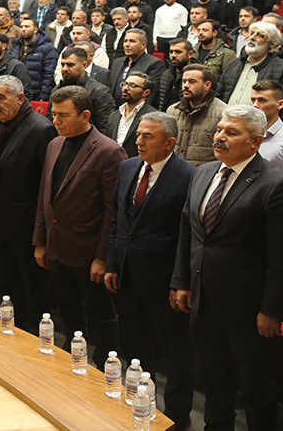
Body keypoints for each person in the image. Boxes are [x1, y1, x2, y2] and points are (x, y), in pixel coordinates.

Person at [171, 105, 283, 431]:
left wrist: (271, 310)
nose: (220, 137)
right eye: (220, 129)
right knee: (213, 382)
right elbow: (188, 233)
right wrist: (182, 281)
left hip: (248, 310)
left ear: (255, 141)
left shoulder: (277, 185)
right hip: (203, 300)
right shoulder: (203, 172)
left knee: (256, 389)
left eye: (231, 133)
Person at [102, 111, 196, 425]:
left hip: (165, 281)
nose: (139, 141)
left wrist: (180, 281)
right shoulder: (128, 167)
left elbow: (187, 235)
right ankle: (140, 405)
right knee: (134, 346)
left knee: (177, 352)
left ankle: (177, 416)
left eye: (147, 137)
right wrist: (112, 262)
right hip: (128, 275)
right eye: (139, 134)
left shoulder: (188, 176)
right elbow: (117, 220)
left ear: (169, 143)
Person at [33, 85, 126, 359]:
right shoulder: (54, 144)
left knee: (102, 317)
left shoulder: (109, 151)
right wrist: (40, 241)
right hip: (57, 247)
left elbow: (113, 211)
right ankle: (72, 359)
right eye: (53, 114)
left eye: (63, 115)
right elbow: (45, 196)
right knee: (68, 312)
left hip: (88, 252)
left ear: (85, 115)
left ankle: (104, 366)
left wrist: (102, 258)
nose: (55, 121)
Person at [0, 76, 56, 333]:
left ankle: (33, 340)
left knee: (33, 293)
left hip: (27, 230)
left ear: (20, 98)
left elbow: (46, 188)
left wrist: (40, 236)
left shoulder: (41, 129)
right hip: (0, 226)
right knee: (6, 287)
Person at [217, 21, 283, 126]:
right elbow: (219, 95)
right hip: (227, 124)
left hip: (259, 129)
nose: (252, 38)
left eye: (260, 36)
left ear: (271, 44)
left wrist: (272, 131)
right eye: (252, 33)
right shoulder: (233, 64)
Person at [167, 64, 228, 166]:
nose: (186, 85)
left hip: (203, 173)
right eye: (184, 81)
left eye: (192, 81)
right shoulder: (172, 111)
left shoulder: (223, 113)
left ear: (207, 85)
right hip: (174, 171)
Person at [104, 71, 155, 157]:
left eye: (132, 85)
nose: (126, 88)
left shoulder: (152, 117)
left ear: (146, 92)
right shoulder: (113, 116)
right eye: (125, 84)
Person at [8, 17, 59, 102]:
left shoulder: (47, 49)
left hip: (36, 94)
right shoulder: (15, 46)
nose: (23, 29)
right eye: (21, 27)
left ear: (35, 30)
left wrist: (44, 96)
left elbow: (49, 74)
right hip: (16, 92)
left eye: (27, 26)